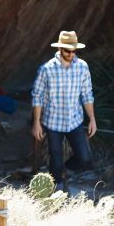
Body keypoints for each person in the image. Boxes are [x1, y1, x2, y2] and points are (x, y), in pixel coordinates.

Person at [31, 30, 96, 190]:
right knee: (55, 157)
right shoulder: (46, 69)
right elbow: (37, 96)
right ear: (60, 49)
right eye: (68, 50)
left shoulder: (82, 67)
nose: (71, 53)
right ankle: (57, 186)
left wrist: (92, 119)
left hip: (75, 120)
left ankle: (64, 171)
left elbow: (87, 95)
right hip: (52, 122)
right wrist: (36, 123)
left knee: (84, 157)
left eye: (74, 50)